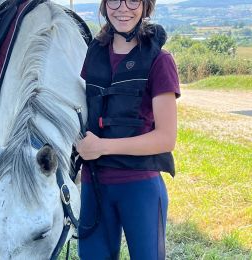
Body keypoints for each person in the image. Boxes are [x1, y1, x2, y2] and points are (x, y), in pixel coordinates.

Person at [76, 0, 180, 259]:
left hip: (140, 187)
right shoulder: (94, 53)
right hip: (94, 185)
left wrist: (103, 146)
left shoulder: (160, 60)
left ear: (146, 6)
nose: (123, 8)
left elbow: (166, 138)